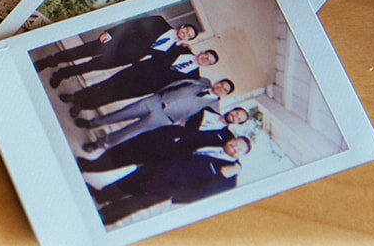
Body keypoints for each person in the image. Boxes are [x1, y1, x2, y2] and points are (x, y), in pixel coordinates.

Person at [92, 141, 249, 226]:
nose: (235, 147)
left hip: (168, 188)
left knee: (133, 203)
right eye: (236, 142)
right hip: (161, 168)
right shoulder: (215, 142)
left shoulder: (230, 176)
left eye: (240, 149)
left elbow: (204, 195)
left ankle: (102, 217)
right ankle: (101, 195)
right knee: (128, 183)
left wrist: (176, 195)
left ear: (241, 156)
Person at [78, 77, 237, 152]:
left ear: (225, 94)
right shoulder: (202, 81)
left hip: (165, 118)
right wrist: (158, 94)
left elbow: (198, 123)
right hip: (156, 100)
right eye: (221, 84)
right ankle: (93, 123)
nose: (220, 88)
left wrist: (181, 123)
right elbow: (177, 82)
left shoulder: (213, 107)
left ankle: (99, 144)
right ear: (217, 82)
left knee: (131, 132)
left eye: (224, 90)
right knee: (122, 113)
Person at [77, 107, 251, 174]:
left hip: (172, 152)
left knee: (130, 160)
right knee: (126, 148)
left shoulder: (227, 138)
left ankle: (93, 170)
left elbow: (234, 157)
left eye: (239, 118)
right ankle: (92, 164)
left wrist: (238, 168)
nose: (235, 116)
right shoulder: (206, 109)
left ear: (239, 123)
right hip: (164, 134)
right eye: (236, 112)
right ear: (231, 110)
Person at [38, 17, 199, 84]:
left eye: (189, 36)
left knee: (90, 66)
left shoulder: (172, 49)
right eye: (187, 30)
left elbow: (159, 61)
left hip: (121, 58)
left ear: (188, 40)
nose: (185, 34)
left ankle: (61, 75)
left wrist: (185, 51)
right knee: (79, 52)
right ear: (182, 26)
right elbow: (132, 24)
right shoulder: (159, 22)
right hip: (114, 43)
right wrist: (111, 33)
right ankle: (48, 61)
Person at [59, 49, 221, 113]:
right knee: (106, 85)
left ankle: (82, 106)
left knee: (114, 96)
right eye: (206, 55)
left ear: (208, 65)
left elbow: (174, 88)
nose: (205, 59)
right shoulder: (180, 48)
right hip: (137, 71)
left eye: (209, 61)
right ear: (202, 52)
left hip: (145, 86)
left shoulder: (194, 77)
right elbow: (156, 50)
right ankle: (76, 96)